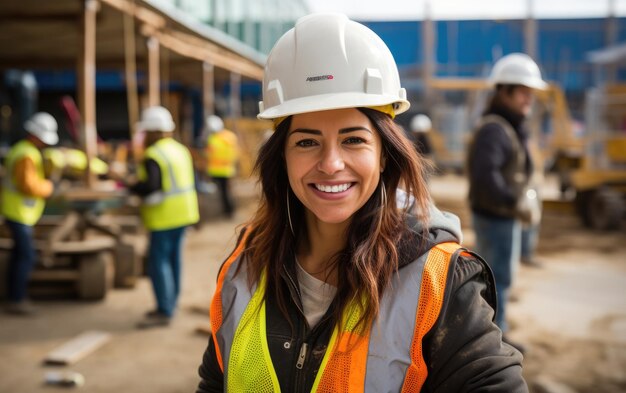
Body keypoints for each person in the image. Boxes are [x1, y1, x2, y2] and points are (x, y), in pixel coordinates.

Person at [197, 13, 526, 392]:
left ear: (384, 154)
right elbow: (214, 380)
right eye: (306, 141)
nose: (331, 164)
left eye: (353, 139)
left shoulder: (437, 281)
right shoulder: (245, 266)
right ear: (282, 156)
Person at [467, 52, 546, 348]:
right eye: (523, 92)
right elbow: (486, 177)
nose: (529, 99)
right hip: (495, 216)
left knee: (499, 278)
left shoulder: (507, 126)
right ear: (504, 91)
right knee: (497, 279)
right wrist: (516, 200)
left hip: (502, 215)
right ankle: (493, 340)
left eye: (530, 93)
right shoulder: (494, 129)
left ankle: (496, 332)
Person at [125, 106, 199, 328]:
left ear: (151, 131)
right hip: (184, 213)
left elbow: (151, 186)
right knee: (174, 260)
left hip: (164, 216)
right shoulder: (180, 149)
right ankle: (171, 304)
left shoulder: (154, 154)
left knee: (159, 264)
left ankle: (164, 310)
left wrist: (132, 186)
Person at [2, 112, 58, 315]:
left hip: (19, 212)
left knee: (19, 255)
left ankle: (14, 297)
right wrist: (49, 187)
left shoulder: (24, 150)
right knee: (26, 256)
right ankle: (17, 299)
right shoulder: (26, 154)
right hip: (19, 213)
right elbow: (27, 185)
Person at [205, 114, 240, 218]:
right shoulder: (230, 136)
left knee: (223, 193)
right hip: (228, 169)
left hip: (217, 171)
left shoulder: (212, 139)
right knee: (227, 192)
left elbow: (209, 155)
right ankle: (229, 210)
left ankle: (228, 211)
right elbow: (236, 152)